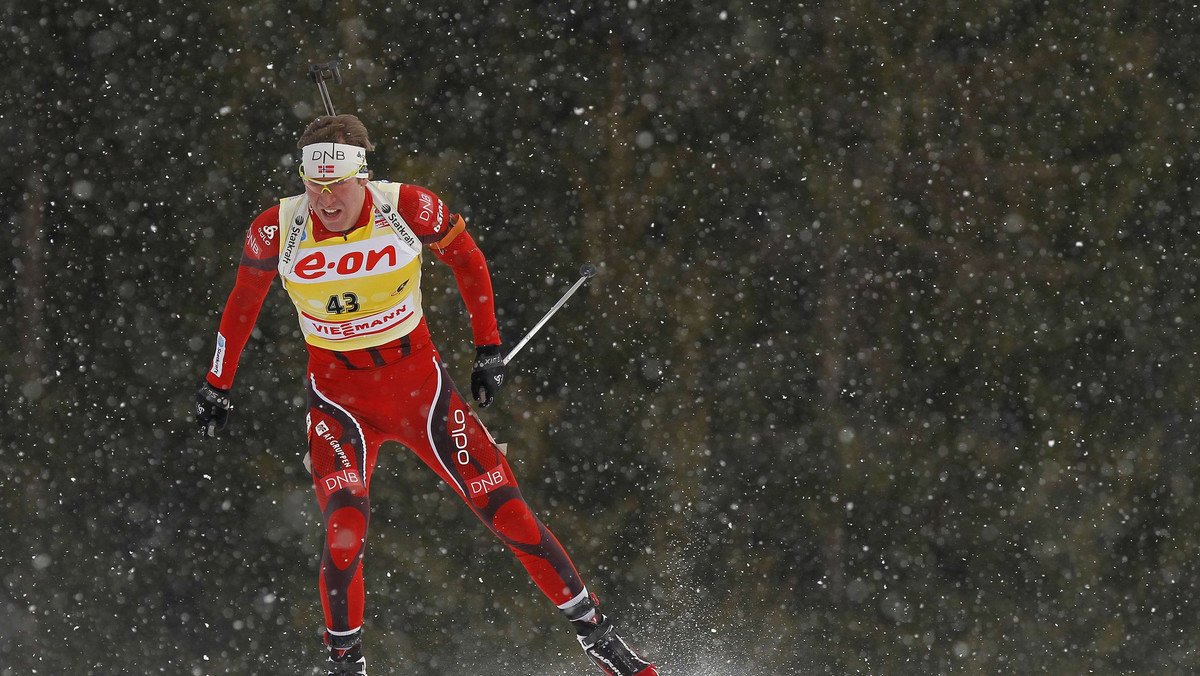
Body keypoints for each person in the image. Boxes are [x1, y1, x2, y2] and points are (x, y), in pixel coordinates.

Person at [194, 114, 658, 676]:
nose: (325, 198)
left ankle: (599, 639)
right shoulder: (278, 228)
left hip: (423, 394)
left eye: (337, 182)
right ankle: (345, 665)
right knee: (345, 529)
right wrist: (218, 384)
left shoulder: (405, 207)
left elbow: (469, 260)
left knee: (507, 511)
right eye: (313, 183)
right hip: (341, 405)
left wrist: (488, 349)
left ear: (361, 175)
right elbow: (241, 305)